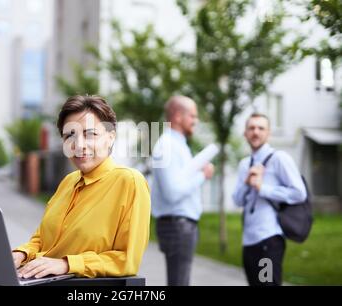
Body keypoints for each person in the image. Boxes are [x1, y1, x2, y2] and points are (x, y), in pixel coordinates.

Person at [12, 95, 151, 279]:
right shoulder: (68, 182)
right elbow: (41, 240)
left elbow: (126, 259)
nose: (79, 145)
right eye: (70, 135)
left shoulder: (129, 181)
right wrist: (21, 254)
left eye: (90, 134)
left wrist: (66, 264)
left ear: (110, 138)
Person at [232, 113, 307, 286]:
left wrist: (262, 188)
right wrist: (247, 183)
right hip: (249, 241)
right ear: (245, 133)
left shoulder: (279, 159)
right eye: (251, 128)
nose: (255, 132)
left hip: (269, 240)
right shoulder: (245, 164)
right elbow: (237, 201)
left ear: (269, 133)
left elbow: (299, 193)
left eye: (261, 128)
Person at [150, 95, 214, 286]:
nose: (196, 121)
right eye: (193, 116)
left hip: (180, 225)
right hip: (177, 226)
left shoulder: (177, 144)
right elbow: (173, 193)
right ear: (178, 116)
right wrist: (203, 176)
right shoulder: (167, 146)